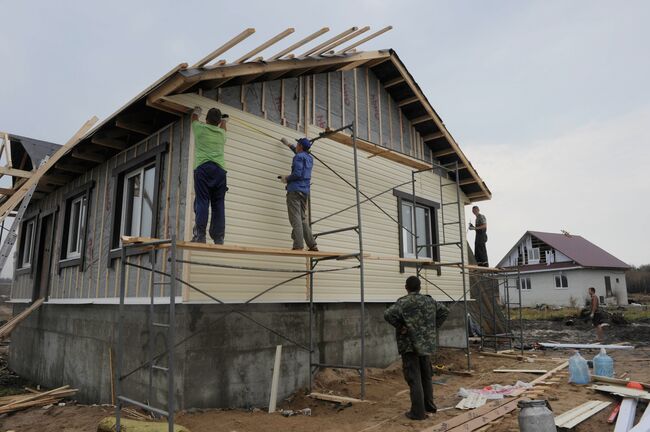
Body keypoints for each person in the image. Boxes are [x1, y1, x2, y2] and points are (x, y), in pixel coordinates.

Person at [384, 276, 449, 420]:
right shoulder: (429, 301)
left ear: (406, 287)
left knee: (414, 378)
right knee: (426, 376)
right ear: (420, 287)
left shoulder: (404, 302)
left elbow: (387, 314)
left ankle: (418, 413)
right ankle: (429, 406)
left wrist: (400, 326)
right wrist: (432, 328)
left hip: (410, 345)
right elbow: (445, 311)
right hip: (426, 344)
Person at [191, 106, 228, 244]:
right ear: (218, 122)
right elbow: (224, 128)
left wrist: (196, 112)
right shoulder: (221, 133)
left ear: (206, 119)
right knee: (218, 204)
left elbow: (194, 119)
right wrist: (225, 120)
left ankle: (200, 236)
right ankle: (218, 237)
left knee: (202, 201)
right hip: (220, 171)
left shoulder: (200, 129)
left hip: (203, 169)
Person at [280, 137, 318, 251]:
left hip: (295, 191)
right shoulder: (309, 158)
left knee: (295, 218)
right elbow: (299, 154)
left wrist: (286, 178)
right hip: (304, 192)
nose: (296, 146)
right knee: (302, 218)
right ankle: (312, 245)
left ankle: (298, 245)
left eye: (297, 144)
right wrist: (288, 145)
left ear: (300, 146)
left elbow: (297, 174)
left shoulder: (297, 157)